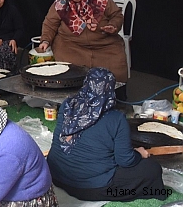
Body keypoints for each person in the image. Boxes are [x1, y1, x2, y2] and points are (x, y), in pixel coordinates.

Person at [47, 68, 165, 202]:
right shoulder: (116, 118)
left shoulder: (68, 105)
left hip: (54, 176)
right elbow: (126, 161)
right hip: (90, 188)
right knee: (152, 169)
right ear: (111, 91)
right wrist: (139, 153)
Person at [36, 0, 128, 82]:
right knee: (68, 73)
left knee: (115, 70)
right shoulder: (61, 3)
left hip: (103, 45)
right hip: (71, 46)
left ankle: (114, 96)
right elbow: (50, 23)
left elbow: (116, 15)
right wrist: (46, 40)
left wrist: (113, 26)